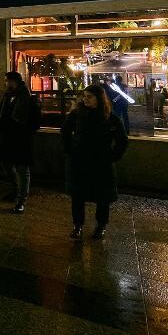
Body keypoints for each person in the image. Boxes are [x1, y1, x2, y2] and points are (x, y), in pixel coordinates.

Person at [61, 84, 128, 240]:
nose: (86, 99)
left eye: (89, 96)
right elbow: (64, 132)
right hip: (80, 162)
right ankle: (77, 225)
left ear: (99, 98)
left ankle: (101, 225)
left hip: (101, 163)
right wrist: (70, 150)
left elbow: (122, 140)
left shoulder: (110, 117)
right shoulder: (77, 115)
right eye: (84, 96)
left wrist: (112, 156)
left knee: (102, 197)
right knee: (78, 196)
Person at [0, 72, 39, 214]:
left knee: (22, 169)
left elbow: (34, 122)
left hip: (22, 139)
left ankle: (21, 201)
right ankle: (16, 190)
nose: (5, 84)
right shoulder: (7, 96)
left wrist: (25, 132)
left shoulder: (28, 98)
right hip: (8, 137)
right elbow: (3, 115)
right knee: (6, 163)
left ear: (15, 82)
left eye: (7, 81)